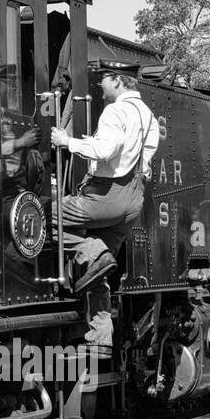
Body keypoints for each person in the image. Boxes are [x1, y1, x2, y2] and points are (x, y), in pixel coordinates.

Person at [50, 61, 159, 297]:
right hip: (134, 202)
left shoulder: (116, 110)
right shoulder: (149, 116)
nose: (100, 83)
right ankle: (101, 334)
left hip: (108, 196)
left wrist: (66, 141)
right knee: (97, 276)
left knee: (43, 216)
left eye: (105, 78)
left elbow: (105, 150)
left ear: (117, 80)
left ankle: (91, 250)